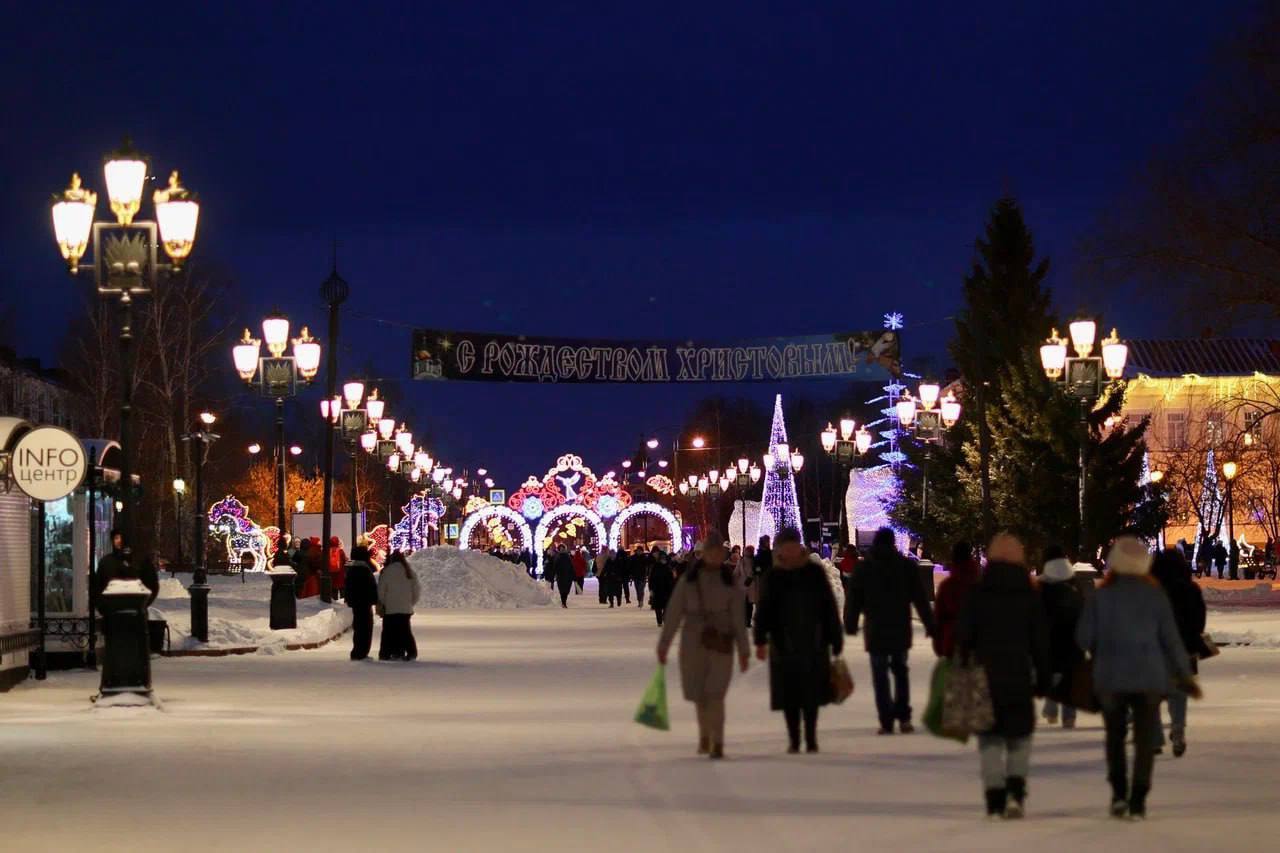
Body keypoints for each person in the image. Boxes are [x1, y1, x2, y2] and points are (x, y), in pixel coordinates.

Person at [1077, 536, 1199, 820]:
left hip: (1110, 677)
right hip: (1149, 677)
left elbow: (1083, 636)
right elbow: (1170, 639)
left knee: (1115, 737)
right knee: (1144, 740)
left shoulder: (1101, 596)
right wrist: (1184, 673)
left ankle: (1119, 794)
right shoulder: (1155, 596)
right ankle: (1138, 799)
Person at [956, 533, 1050, 819]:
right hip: (1019, 673)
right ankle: (1016, 792)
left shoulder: (977, 593)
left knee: (990, 738)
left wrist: (964, 664)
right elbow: (1040, 641)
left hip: (985, 673)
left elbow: (964, 636)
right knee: (1020, 737)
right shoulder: (1031, 595)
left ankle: (994, 796)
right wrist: (1043, 676)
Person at [656, 535, 750, 759]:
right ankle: (704, 735)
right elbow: (674, 613)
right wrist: (664, 644)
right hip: (693, 643)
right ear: (703, 553)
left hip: (721, 642)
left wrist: (744, 650)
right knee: (700, 694)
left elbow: (738, 618)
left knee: (715, 694)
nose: (715, 557)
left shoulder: (730, 582)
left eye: (719, 553)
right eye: (711, 552)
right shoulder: (688, 580)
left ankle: (717, 740)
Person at [752, 528, 843, 753]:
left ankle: (810, 736)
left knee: (811, 692)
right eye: (784, 547)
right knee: (789, 693)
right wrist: (760, 638)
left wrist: (835, 636)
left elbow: (828, 606)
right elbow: (764, 610)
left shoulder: (813, 573)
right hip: (783, 643)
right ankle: (794, 737)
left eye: (792, 546)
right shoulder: (773, 576)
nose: (789, 551)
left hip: (813, 641)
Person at [845, 527, 936, 734]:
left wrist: (850, 623)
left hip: (876, 628)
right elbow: (920, 598)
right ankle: (903, 716)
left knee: (880, 675)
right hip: (899, 627)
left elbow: (854, 599)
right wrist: (930, 623)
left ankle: (886, 720)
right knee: (900, 671)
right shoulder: (905, 566)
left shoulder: (864, 568)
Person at [1149, 547, 1207, 758]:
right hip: (1183, 648)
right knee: (1178, 693)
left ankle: (1154, 738)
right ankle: (1178, 729)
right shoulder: (1191, 589)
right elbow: (1199, 621)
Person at [1038, 545, 1084, 729]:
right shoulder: (1074, 581)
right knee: (1070, 675)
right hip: (1072, 636)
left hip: (1049, 636)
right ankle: (1069, 715)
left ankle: (1051, 709)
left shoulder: (1041, 585)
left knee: (1053, 673)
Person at [932, 541, 980, 659]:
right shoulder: (982, 585)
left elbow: (939, 617)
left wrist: (939, 644)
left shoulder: (948, 586)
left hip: (953, 643)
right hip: (979, 646)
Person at [94, 529, 159, 608]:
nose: (119, 541)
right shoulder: (106, 562)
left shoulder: (141, 560)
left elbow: (152, 584)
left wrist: (142, 605)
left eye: (122, 538)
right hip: (112, 614)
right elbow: (97, 587)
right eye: (116, 538)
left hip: (136, 613)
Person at [378, 551, 421, 661]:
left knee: (388, 632)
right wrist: (410, 603)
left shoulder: (387, 572)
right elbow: (416, 591)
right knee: (405, 631)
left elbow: (381, 591)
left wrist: (384, 603)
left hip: (390, 608)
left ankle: (386, 653)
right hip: (405, 608)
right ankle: (411, 652)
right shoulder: (410, 572)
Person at [344, 542, 379, 661]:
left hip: (356, 603)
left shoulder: (352, 570)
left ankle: (357, 651)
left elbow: (348, 587)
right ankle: (361, 652)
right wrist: (375, 599)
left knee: (358, 627)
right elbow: (371, 587)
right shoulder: (365, 570)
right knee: (365, 628)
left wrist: (349, 599)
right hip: (365, 603)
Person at [648, 551, 675, 626]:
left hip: (667, 590)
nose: (663, 560)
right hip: (657, 590)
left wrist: (672, 587)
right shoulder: (655, 567)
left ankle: (665, 617)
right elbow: (651, 579)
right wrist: (651, 588)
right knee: (658, 607)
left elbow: (672, 579)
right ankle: (659, 621)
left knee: (667, 606)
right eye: (662, 559)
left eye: (664, 559)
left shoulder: (668, 567)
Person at [737, 545, 757, 627]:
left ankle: (747, 621)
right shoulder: (741, 561)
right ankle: (745, 621)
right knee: (745, 605)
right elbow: (736, 572)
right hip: (743, 585)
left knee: (749, 605)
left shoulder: (755, 561)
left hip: (750, 586)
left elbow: (755, 572)